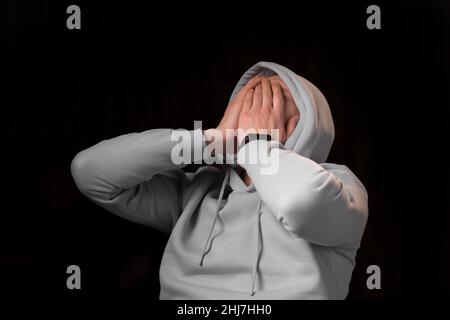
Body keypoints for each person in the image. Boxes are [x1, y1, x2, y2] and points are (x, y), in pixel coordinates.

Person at [70, 61, 368, 299]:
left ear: (305, 128)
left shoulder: (339, 184)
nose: (255, 109)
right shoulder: (198, 190)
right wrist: (210, 140)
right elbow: (89, 173)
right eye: (249, 99)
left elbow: (299, 203)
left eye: (271, 102)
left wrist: (257, 143)